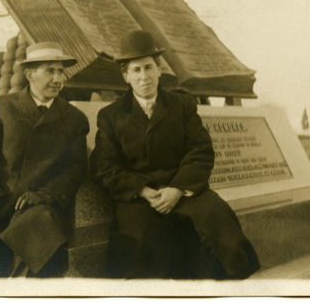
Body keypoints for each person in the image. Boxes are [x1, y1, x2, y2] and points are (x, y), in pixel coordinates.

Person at [90, 30, 260, 279]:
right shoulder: (111, 116)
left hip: (184, 190)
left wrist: (177, 189)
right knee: (141, 243)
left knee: (218, 223)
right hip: (140, 197)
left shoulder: (181, 106)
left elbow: (200, 152)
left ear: (159, 70)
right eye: (136, 70)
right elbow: (105, 167)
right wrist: (144, 191)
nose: (144, 77)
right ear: (125, 76)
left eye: (149, 68)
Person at [0, 42, 90, 277]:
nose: (58, 78)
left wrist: (45, 194)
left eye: (61, 71)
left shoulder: (75, 119)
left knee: (40, 265)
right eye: (50, 71)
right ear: (29, 74)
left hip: (35, 207)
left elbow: (74, 168)